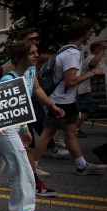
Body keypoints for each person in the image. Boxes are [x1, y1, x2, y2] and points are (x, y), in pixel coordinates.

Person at [0, 40, 62, 211]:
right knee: (21, 166)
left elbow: (29, 95)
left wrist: (50, 107)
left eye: (36, 52)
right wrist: (21, 128)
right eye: (32, 53)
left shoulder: (30, 72)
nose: (36, 55)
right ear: (19, 57)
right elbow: (4, 110)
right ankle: (21, 210)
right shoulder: (9, 79)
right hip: (6, 128)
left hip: (13, 126)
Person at [31, 18, 105, 176]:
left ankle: (81, 165)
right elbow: (70, 81)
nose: (91, 33)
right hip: (61, 102)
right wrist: (91, 73)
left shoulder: (65, 51)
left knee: (70, 132)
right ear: (84, 32)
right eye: (90, 31)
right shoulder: (71, 54)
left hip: (67, 101)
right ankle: (32, 166)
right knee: (47, 134)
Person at [77, 40, 107, 137]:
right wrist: (102, 49)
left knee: (87, 111)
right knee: (85, 111)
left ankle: (76, 129)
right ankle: (75, 130)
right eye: (101, 47)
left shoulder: (98, 59)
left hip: (96, 90)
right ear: (95, 48)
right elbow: (92, 65)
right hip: (88, 89)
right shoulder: (91, 58)